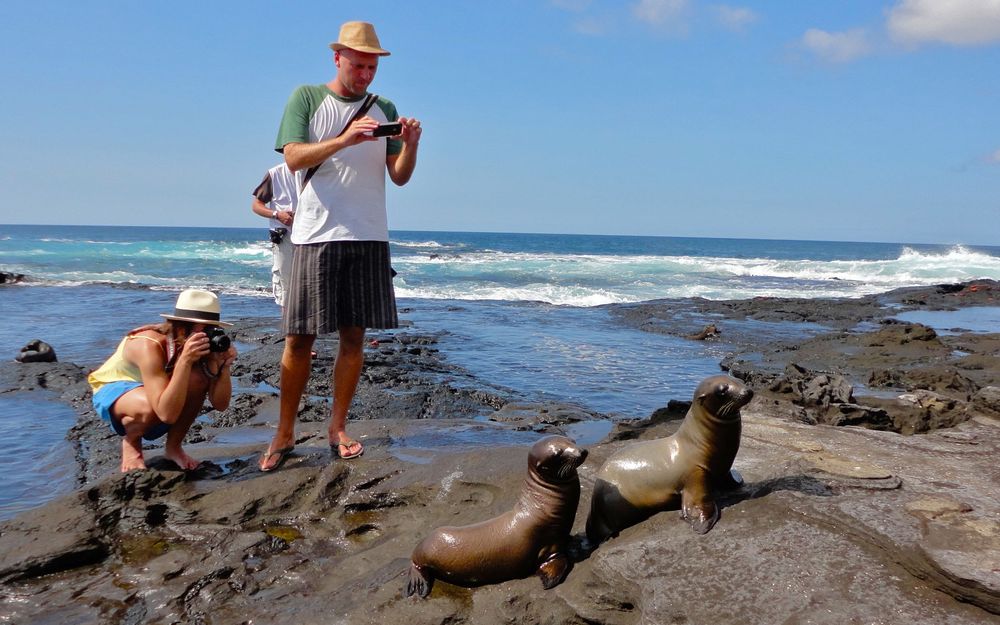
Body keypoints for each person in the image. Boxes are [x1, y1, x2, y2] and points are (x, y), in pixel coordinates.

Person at [259, 21, 421, 471]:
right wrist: (345, 140)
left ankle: (337, 427)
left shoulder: (383, 106)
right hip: (316, 235)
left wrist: (411, 146)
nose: (366, 75)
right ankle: (284, 433)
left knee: (354, 339)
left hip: (369, 234)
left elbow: (399, 176)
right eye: (359, 65)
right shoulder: (308, 98)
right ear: (338, 58)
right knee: (298, 339)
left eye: (372, 67)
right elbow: (293, 157)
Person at [88, 289, 237, 472]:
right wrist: (185, 361)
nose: (207, 334)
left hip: (155, 387)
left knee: (198, 379)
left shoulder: (199, 346)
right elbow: (166, 414)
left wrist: (223, 366)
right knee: (149, 407)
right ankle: (132, 442)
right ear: (181, 325)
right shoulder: (148, 343)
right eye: (203, 328)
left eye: (212, 328)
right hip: (115, 387)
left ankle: (174, 448)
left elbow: (221, 404)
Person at [251, 163, 298, 311]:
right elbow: (256, 205)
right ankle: (288, 330)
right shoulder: (275, 173)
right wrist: (277, 214)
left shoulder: (317, 168)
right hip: (284, 236)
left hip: (312, 234)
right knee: (286, 285)